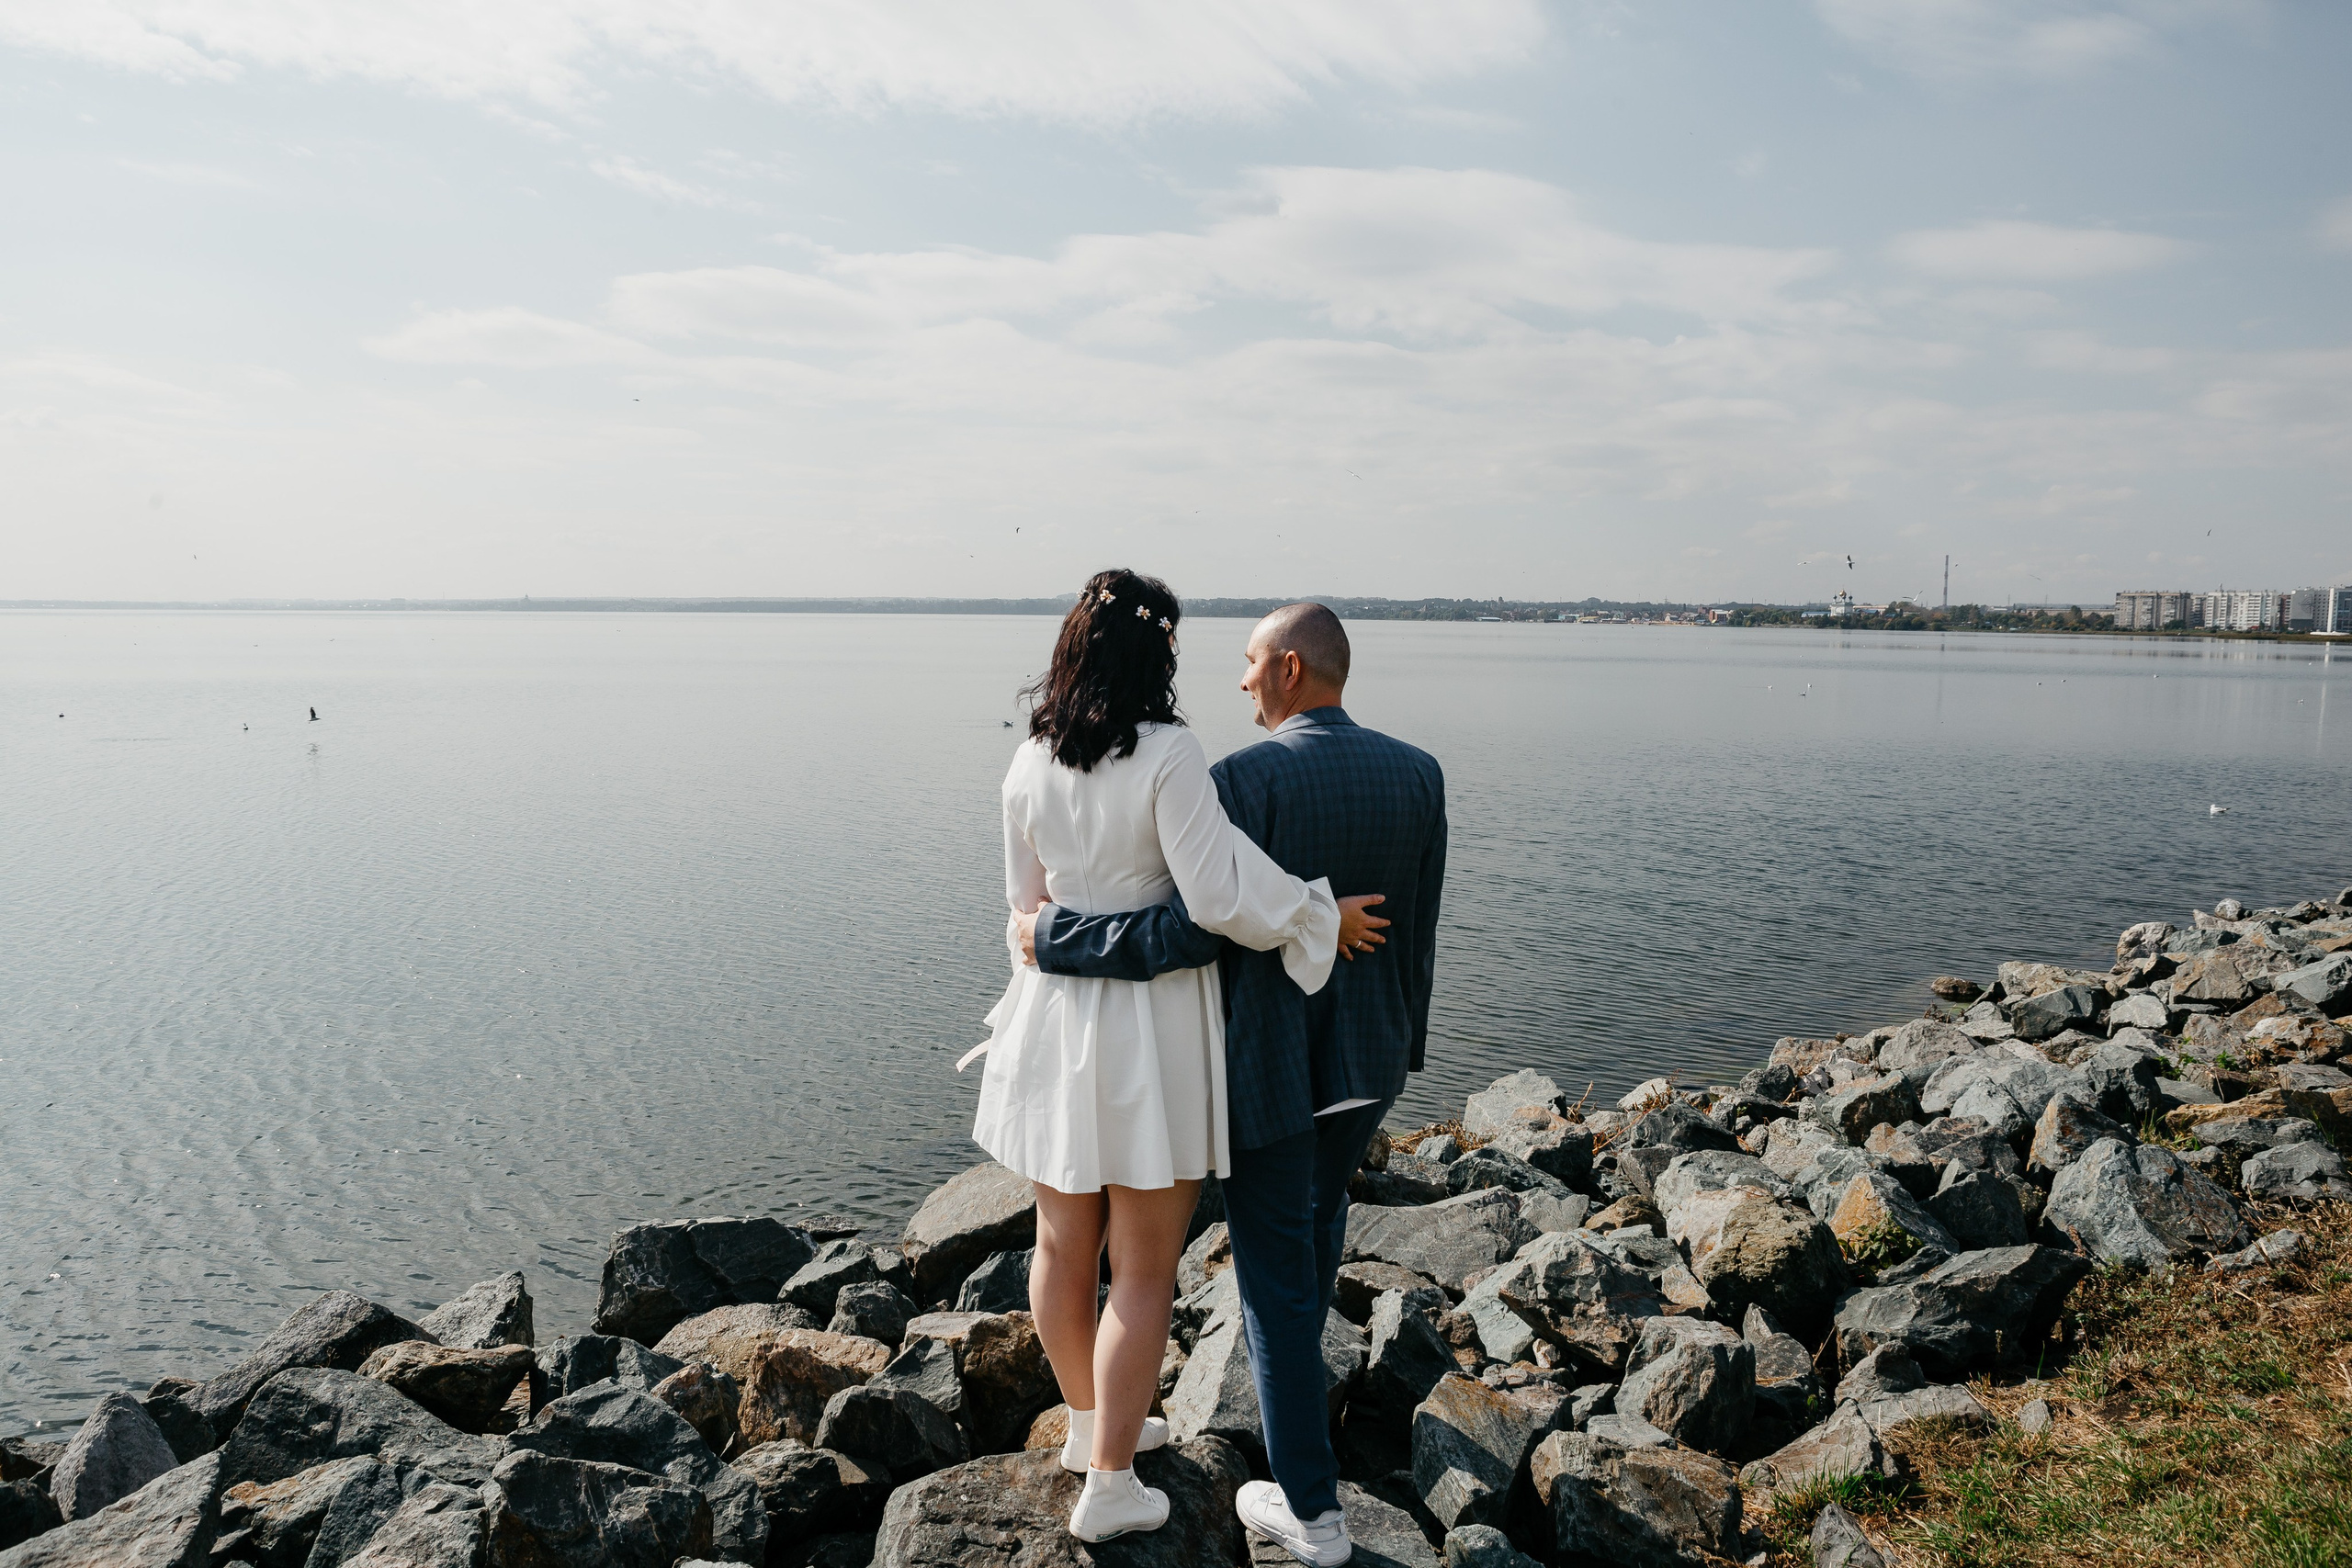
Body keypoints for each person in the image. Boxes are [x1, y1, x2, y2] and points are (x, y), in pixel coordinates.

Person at [1016, 602, 1445, 1567]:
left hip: (1273, 1072)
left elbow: (1187, 929)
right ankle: (1311, 1429)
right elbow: (1418, 933)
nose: (1241, 679)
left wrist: (1050, 937)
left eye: (1252, 662)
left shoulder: (1240, 780)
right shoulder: (1419, 773)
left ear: (1290, 669)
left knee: (1274, 1290)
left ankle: (1313, 1513)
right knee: (1311, 1248)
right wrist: (1400, 1052)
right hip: (1369, 1066)